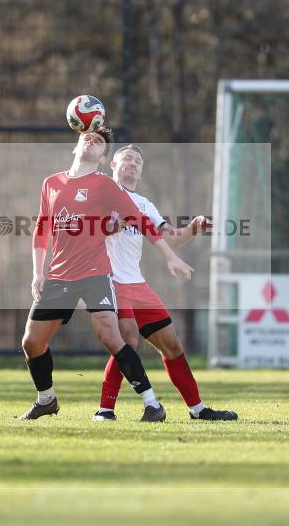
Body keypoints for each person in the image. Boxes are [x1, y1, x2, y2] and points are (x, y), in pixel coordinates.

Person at [19, 126, 194, 422]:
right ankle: (46, 399)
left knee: (115, 339)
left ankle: (152, 404)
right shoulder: (51, 183)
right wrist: (38, 272)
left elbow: (140, 221)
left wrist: (169, 255)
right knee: (31, 343)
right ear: (76, 144)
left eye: (100, 141)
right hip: (59, 276)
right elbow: (42, 228)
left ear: (103, 158)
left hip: (95, 274)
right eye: (88, 136)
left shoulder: (104, 185)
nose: (93, 140)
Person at [94, 144, 238, 421]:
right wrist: (113, 224)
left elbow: (169, 238)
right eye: (127, 158)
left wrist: (192, 229)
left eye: (138, 160)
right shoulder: (104, 192)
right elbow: (96, 227)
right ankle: (105, 410)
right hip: (110, 281)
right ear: (113, 165)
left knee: (171, 344)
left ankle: (198, 410)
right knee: (127, 341)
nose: (133, 163)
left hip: (137, 283)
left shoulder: (145, 204)